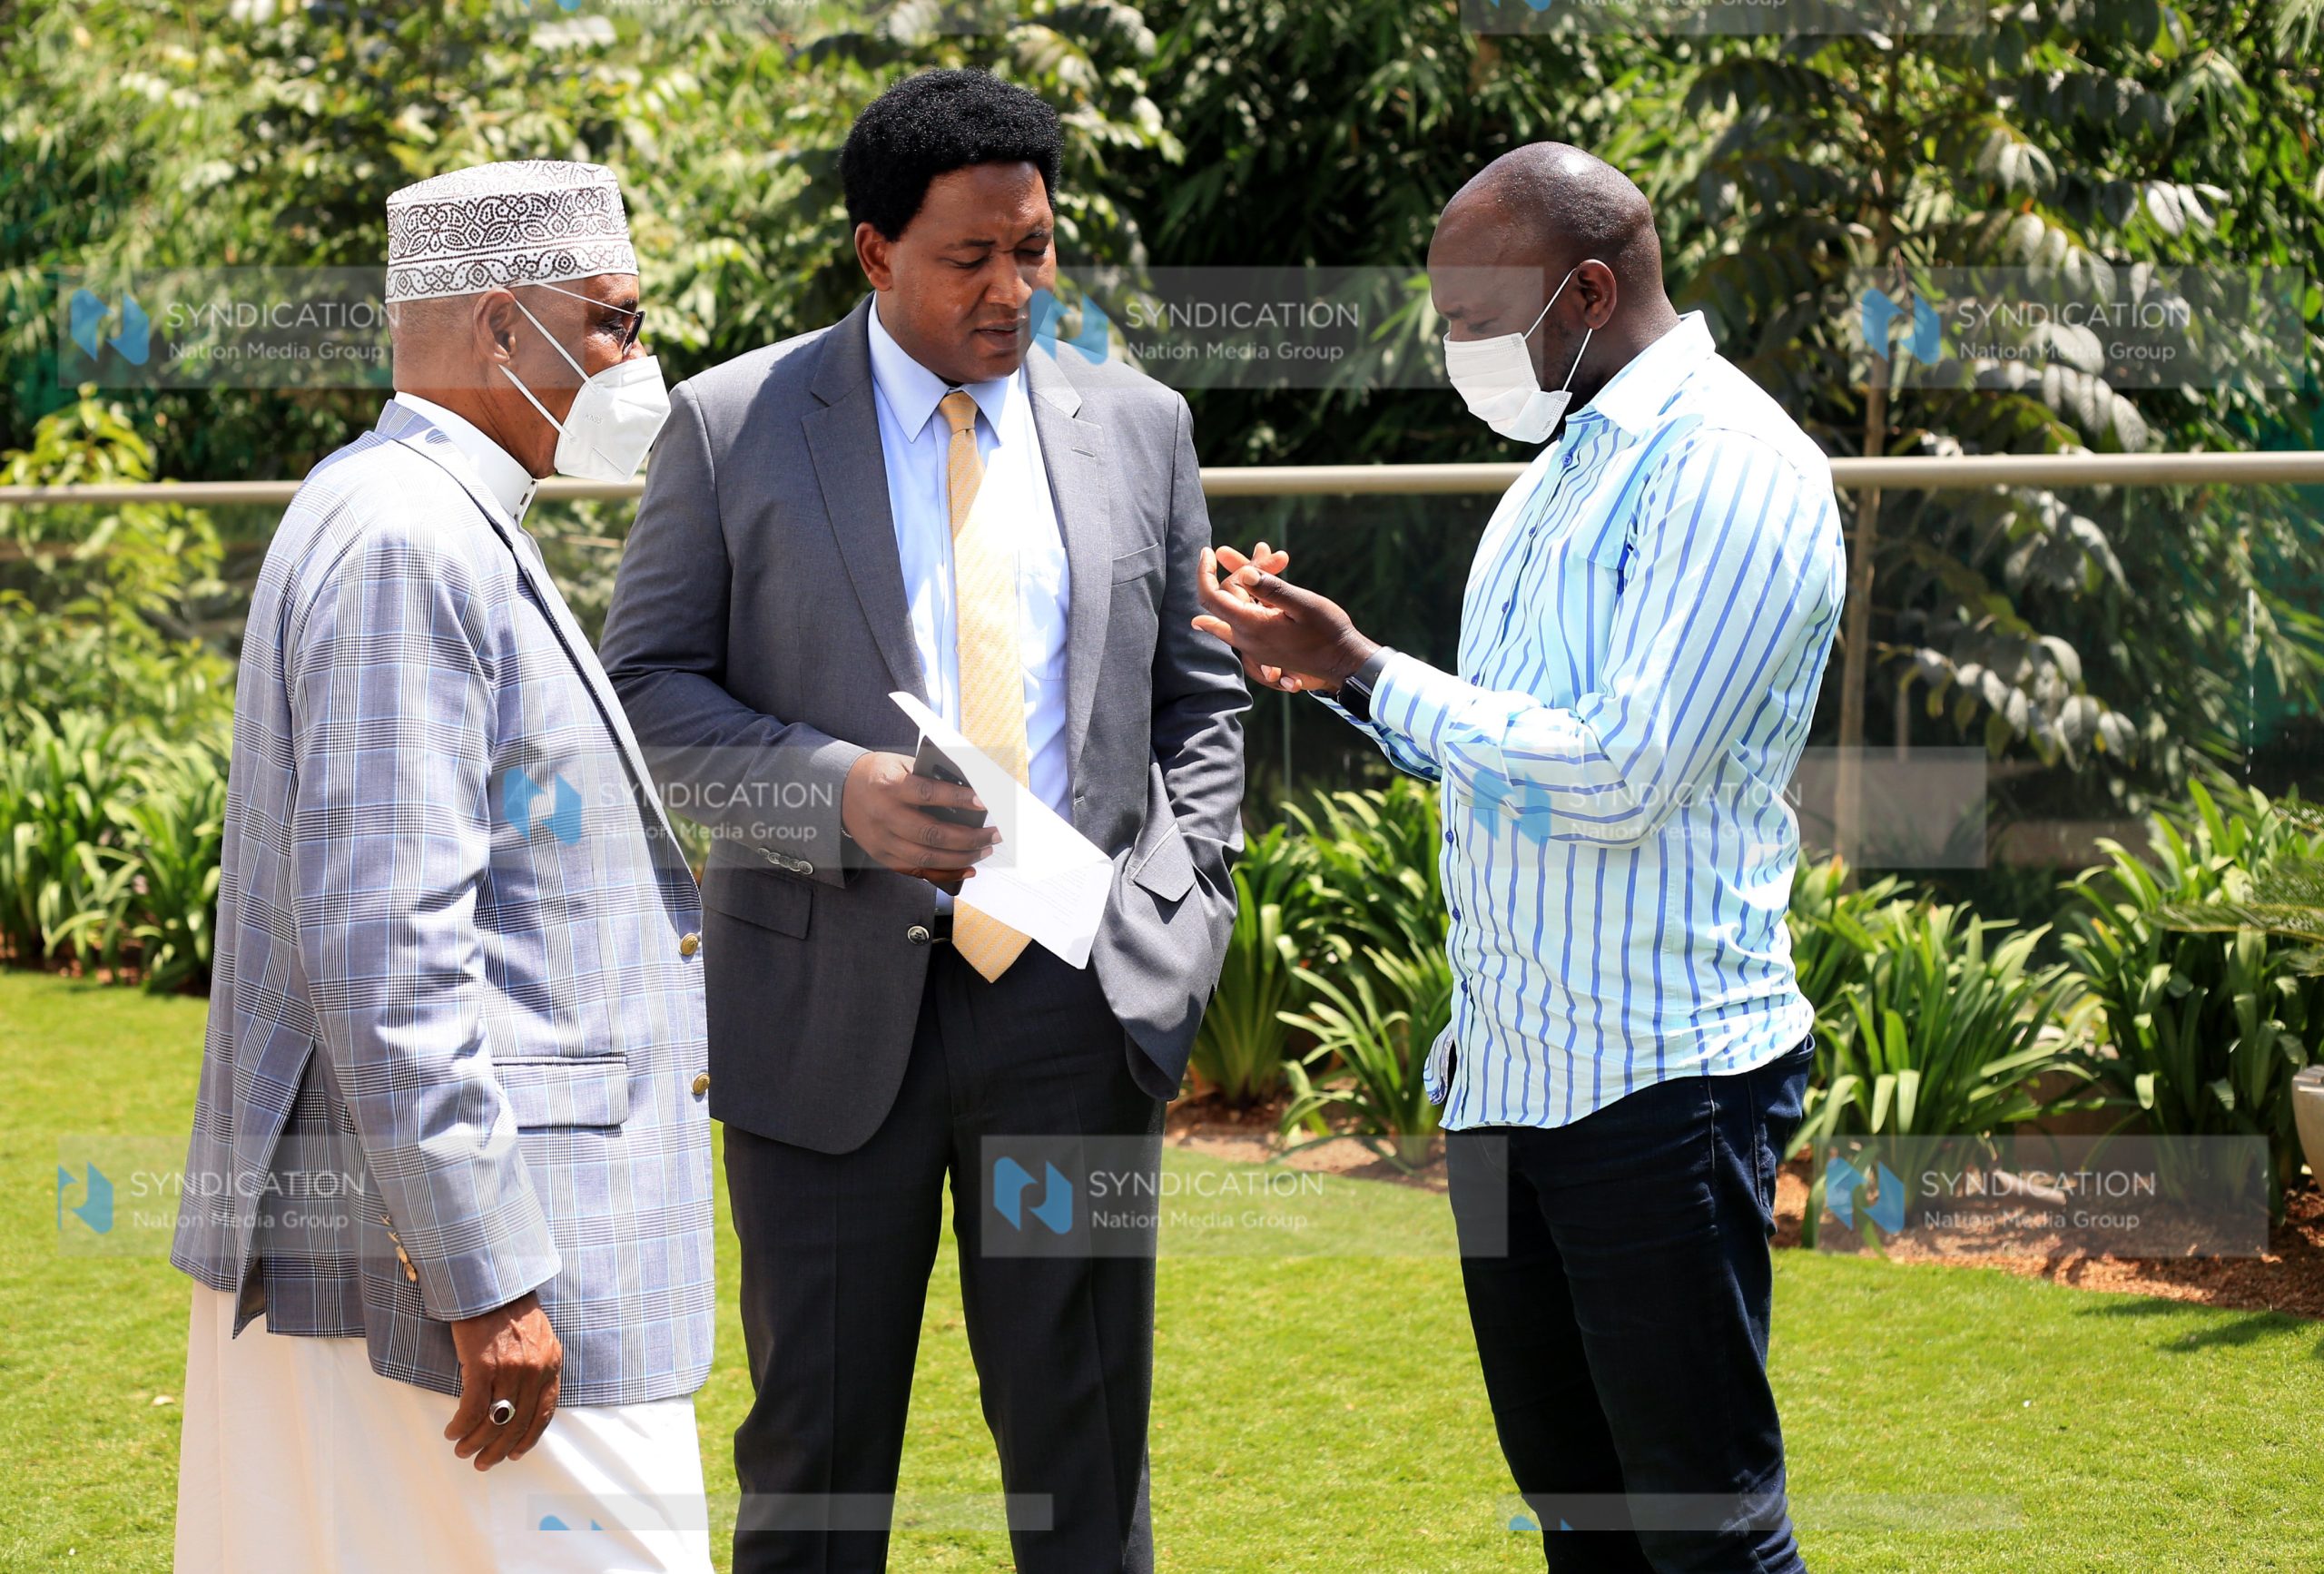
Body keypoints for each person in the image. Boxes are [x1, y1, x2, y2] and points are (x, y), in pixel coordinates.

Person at [598, 69, 1247, 1574]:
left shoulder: (1140, 425)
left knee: (1085, 1468)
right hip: (820, 1022)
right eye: (972, 257)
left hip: (1076, 1021)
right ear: (874, 250)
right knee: (816, 1468)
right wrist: (838, 796)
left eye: (1036, 248)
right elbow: (645, 694)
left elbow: (1201, 704)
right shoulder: (732, 425)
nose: (1014, 289)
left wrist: (1178, 913)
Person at [1192, 143, 1845, 1574]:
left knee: (1706, 1530)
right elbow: (1508, 756)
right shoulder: (1556, 476)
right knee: (1583, 1519)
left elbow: (1621, 770)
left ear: (1590, 290)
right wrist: (1342, 676)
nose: (1455, 353)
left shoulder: (1728, 467)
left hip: (1658, 1084)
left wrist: (1375, 663)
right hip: (1513, 1084)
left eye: (1475, 320)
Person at [171, 160, 715, 1574]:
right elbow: (384, 942)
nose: (636, 363)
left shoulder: (411, 515)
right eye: (613, 322)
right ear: (498, 332)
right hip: (488, 1279)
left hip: (425, 1259)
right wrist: (487, 1279)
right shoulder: (409, 537)